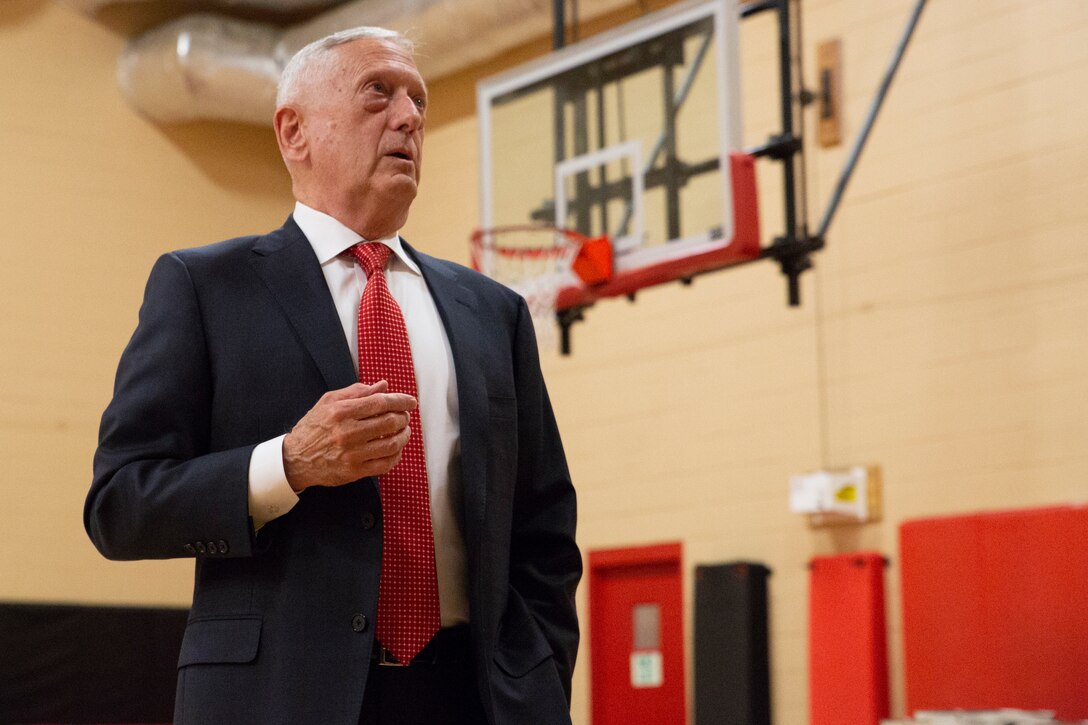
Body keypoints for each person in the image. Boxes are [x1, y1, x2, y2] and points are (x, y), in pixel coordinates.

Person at [85, 26, 581, 725]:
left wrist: (538, 673)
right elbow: (119, 504)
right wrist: (286, 464)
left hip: (473, 697)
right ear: (294, 132)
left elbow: (545, 526)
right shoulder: (204, 286)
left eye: (418, 100)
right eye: (378, 93)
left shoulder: (491, 311)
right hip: (279, 697)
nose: (408, 116)